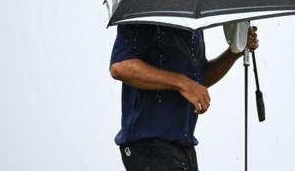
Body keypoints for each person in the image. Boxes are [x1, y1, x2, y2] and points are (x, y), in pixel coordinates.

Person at [109, 23, 259, 171]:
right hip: (148, 145)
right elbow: (121, 67)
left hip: (183, 148)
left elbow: (198, 81)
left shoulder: (194, 27)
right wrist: (181, 82)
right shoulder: (145, 14)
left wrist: (233, 53)